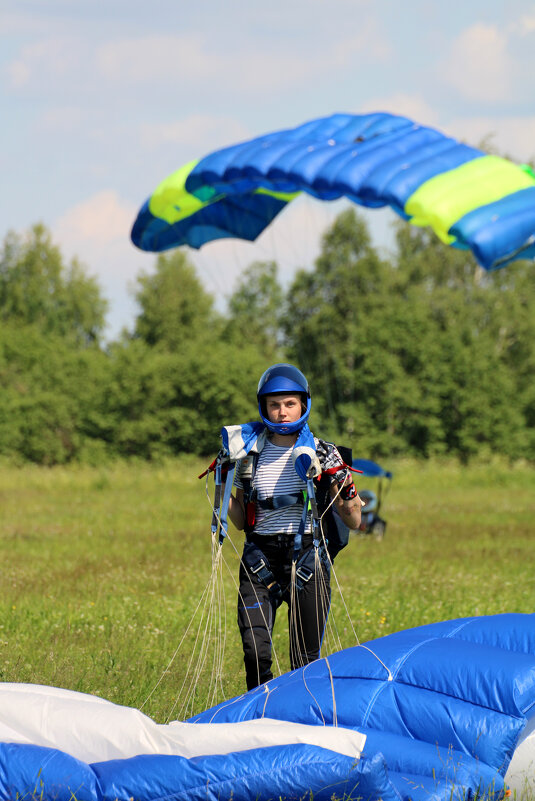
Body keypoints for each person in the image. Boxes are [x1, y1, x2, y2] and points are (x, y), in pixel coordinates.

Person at [227, 363, 361, 690]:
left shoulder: (322, 452)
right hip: (260, 558)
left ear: (303, 404)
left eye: (290, 404)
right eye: (275, 405)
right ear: (264, 408)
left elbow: (354, 520)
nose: (283, 412)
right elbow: (242, 520)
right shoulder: (248, 454)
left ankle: (299, 723)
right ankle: (260, 717)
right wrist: (222, 484)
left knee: (305, 662)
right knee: (254, 653)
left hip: (306, 559)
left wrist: (344, 483)